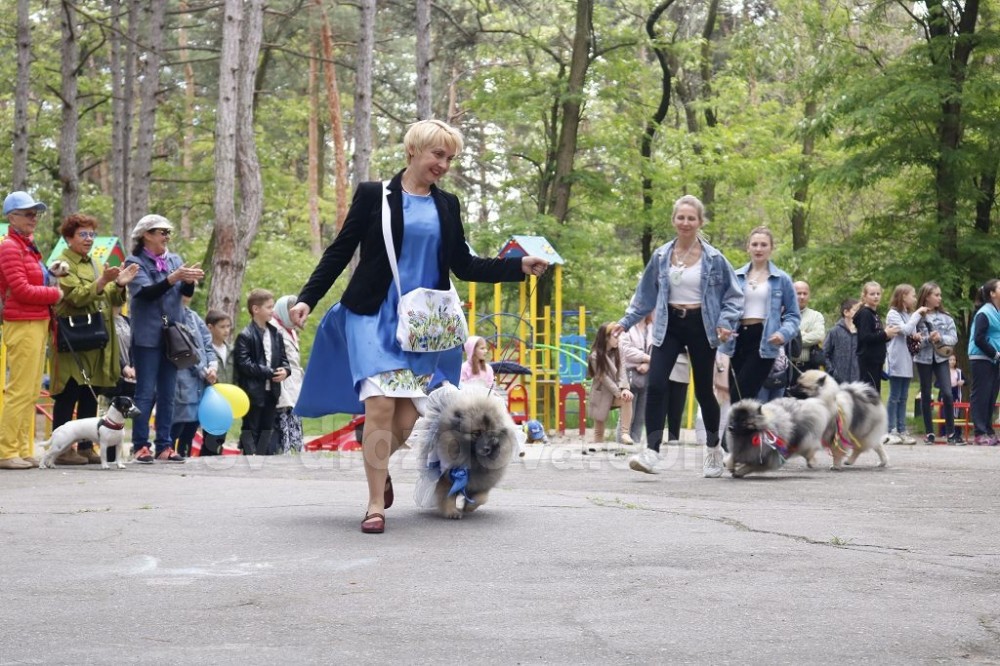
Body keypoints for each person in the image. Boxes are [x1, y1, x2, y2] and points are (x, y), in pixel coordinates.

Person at [288, 119, 548, 534]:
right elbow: (341, 251)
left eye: (450, 158)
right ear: (413, 151)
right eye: (437, 154)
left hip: (422, 327)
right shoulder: (376, 196)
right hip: (372, 315)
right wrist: (307, 298)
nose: (443, 164)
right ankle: (375, 505)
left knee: (405, 423)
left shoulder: (447, 205)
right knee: (381, 404)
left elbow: (463, 264)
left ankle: (376, 460)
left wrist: (518, 266)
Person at [614, 194, 743, 478]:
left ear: (700, 222)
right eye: (681, 218)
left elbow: (734, 296)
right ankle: (652, 451)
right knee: (657, 384)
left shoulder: (714, 258)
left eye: (691, 218)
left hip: (702, 325)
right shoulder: (661, 256)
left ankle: (712, 449)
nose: (685, 223)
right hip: (668, 323)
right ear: (674, 221)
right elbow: (645, 295)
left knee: (702, 393)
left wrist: (724, 322)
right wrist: (626, 322)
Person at [50, 213, 139, 465]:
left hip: (97, 339)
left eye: (91, 234)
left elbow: (110, 296)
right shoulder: (62, 263)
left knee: (91, 391)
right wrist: (103, 281)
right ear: (69, 237)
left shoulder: (96, 262)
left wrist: (119, 285)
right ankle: (63, 449)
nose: (89, 239)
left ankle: (87, 446)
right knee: (68, 392)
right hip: (73, 338)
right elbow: (75, 296)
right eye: (83, 234)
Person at [125, 214, 204, 464]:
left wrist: (188, 281)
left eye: (169, 232)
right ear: (146, 235)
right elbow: (146, 293)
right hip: (147, 337)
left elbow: (184, 294)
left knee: (169, 392)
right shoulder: (134, 261)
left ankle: (164, 445)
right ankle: (140, 445)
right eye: (162, 232)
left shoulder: (175, 261)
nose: (167, 237)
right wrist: (174, 277)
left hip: (172, 337)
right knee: (146, 392)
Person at [0, 192, 62, 470]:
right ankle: (5, 450)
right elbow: (22, 290)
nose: (33, 218)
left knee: (31, 391)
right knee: (19, 390)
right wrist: (55, 293)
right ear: (11, 217)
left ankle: (24, 448)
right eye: (27, 213)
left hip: (37, 321)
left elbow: (31, 281)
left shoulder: (27, 246)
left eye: (35, 213)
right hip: (22, 322)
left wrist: (53, 274)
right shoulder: (9, 247)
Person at [723, 227, 800, 405]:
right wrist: (722, 327)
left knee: (741, 395)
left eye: (763, 245)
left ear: (771, 248)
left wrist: (783, 333)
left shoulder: (782, 279)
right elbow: (725, 308)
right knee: (738, 397)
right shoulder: (736, 276)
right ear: (748, 247)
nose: (759, 249)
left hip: (764, 340)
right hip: (736, 338)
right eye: (755, 244)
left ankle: (728, 434)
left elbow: (793, 315)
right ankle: (751, 432)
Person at [235, 289, 289, 456]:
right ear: (256, 309)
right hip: (252, 392)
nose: (272, 311)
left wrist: (285, 371)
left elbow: (284, 359)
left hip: (272, 391)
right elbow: (244, 364)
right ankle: (248, 459)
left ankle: (263, 459)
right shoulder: (245, 335)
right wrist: (269, 372)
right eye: (269, 307)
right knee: (251, 427)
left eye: (272, 307)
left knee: (268, 427)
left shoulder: (276, 334)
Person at [913, 281, 960, 444]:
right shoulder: (917, 317)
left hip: (941, 358)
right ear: (926, 296)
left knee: (947, 393)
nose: (940, 298)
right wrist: (927, 340)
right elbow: (912, 342)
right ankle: (929, 433)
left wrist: (941, 338)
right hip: (923, 359)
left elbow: (954, 338)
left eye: (940, 295)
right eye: (936, 295)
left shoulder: (946, 317)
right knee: (926, 394)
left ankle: (951, 432)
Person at [171, 295, 216, 457]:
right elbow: (180, 349)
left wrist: (212, 366)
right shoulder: (166, 316)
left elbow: (208, 345)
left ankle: (186, 457)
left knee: (192, 428)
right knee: (178, 425)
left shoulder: (194, 316)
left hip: (201, 384)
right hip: (182, 381)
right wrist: (203, 370)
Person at [884, 284, 926, 445]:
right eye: (912, 295)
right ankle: (891, 429)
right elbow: (906, 330)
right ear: (903, 297)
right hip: (896, 359)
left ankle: (902, 430)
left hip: (908, 360)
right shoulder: (893, 314)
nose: (915, 298)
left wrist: (917, 337)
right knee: (894, 396)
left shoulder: (908, 315)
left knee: (903, 396)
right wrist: (917, 314)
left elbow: (911, 333)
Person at [586, 322, 634, 451]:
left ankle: (625, 433)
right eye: (615, 337)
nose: (618, 340)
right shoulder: (595, 356)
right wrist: (618, 392)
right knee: (599, 431)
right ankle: (596, 455)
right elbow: (603, 378)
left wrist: (624, 389)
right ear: (606, 337)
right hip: (601, 393)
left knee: (627, 398)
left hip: (616, 391)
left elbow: (623, 370)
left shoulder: (619, 350)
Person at [271, 295, 305, 454]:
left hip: (294, 382)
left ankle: (296, 448)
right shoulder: (274, 328)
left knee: (295, 416)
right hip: (283, 382)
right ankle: (284, 450)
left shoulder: (290, 329)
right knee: (284, 417)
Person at [968, 279, 1000, 445]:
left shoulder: (998, 311)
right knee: (981, 395)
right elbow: (978, 338)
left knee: (991, 396)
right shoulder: (985, 312)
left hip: (994, 359)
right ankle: (979, 432)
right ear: (992, 294)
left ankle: (988, 430)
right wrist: (995, 354)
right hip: (982, 358)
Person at [853, 281, 899, 393]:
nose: (876, 297)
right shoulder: (865, 314)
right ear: (864, 296)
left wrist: (888, 336)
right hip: (868, 360)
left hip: (877, 360)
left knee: (875, 392)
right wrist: (885, 334)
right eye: (872, 294)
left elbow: (877, 337)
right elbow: (865, 337)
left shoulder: (874, 313)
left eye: (878, 294)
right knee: (870, 394)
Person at [202, 309, 234, 455]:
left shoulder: (231, 350)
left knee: (220, 439)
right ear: (210, 327)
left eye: (228, 326)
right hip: (210, 402)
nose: (226, 330)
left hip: (226, 402)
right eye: (222, 327)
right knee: (210, 440)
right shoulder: (205, 351)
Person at [824, 298, 861, 385]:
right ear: (846, 312)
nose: (860, 313)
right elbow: (825, 354)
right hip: (838, 382)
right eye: (856, 310)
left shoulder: (862, 332)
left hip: (858, 381)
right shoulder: (834, 332)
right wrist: (832, 372)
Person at [792, 281, 826, 372]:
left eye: (805, 293)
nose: (802, 297)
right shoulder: (783, 315)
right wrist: (806, 334)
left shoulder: (816, 316)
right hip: (787, 367)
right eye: (798, 293)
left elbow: (819, 336)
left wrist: (794, 338)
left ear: (809, 295)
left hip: (810, 368)